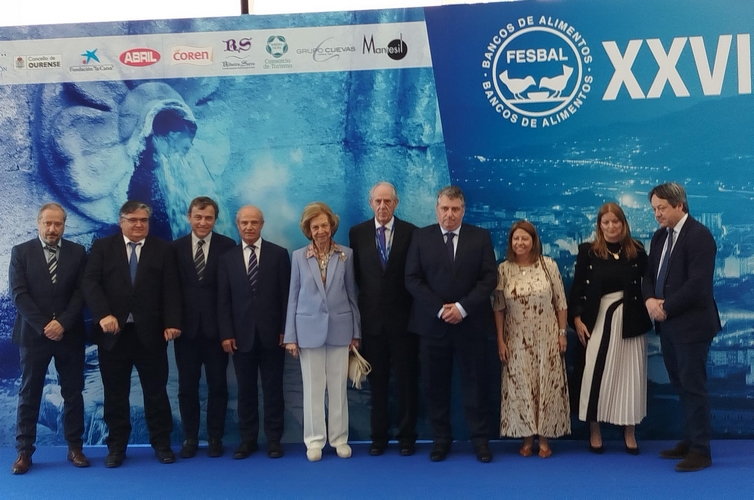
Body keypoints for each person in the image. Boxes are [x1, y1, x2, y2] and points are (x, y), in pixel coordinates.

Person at [82, 200, 182, 468]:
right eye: (133, 220)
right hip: (113, 336)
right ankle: (116, 447)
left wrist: (172, 322)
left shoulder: (163, 249)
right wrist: (103, 314)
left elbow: (172, 288)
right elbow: (90, 283)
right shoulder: (103, 247)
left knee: (156, 393)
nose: (139, 225)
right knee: (115, 394)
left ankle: (162, 444)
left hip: (151, 335)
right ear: (121, 221)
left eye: (143, 220)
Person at [405, 186, 496, 463]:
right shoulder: (421, 237)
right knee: (435, 386)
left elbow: (489, 278)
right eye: (445, 208)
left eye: (455, 209)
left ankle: (480, 440)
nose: (449, 214)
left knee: (476, 386)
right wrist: (440, 309)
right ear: (437, 210)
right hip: (432, 327)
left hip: (471, 325)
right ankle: (441, 440)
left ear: (463, 211)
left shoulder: (480, 237)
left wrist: (461, 308)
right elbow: (412, 279)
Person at [642, 182, 721, 472]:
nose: (657, 214)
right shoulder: (659, 237)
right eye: (654, 209)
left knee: (693, 387)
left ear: (680, 205)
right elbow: (648, 275)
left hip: (692, 327)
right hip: (668, 327)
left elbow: (698, 285)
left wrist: (664, 307)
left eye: (662, 208)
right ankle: (688, 441)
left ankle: (701, 451)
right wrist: (649, 300)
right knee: (681, 386)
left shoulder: (700, 236)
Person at [9, 203, 89, 474]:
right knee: (29, 393)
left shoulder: (78, 253)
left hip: (69, 335)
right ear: (39, 223)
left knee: (73, 393)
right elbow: (18, 294)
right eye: (48, 223)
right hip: (33, 336)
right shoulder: (21, 252)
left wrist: (62, 323)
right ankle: (24, 452)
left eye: (58, 224)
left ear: (64, 225)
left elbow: (81, 292)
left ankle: (75, 447)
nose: (52, 229)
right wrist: (45, 325)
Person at [568, 203, 652, 455]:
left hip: (632, 322)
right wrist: (577, 319)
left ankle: (630, 432)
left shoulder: (637, 250)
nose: (611, 226)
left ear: (623, 223)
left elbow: (649, 283)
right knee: (595, 375)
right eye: (606, 222)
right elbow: (577, 289)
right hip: (597, 322)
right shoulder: (588, 252)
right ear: (599, 225)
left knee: (631, 377)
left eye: (616, 221)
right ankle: (594, 431)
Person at [283, 202, 361, 462]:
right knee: (313, 389)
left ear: (332, 226)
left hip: (341, 330)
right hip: (307, 332)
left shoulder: (346, 255)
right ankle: (314, 440)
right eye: (315, 227)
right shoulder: (298, 257)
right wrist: (290, 336)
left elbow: (351, 295)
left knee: (338, 390)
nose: (320, 231)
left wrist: (356, 332)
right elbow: (293, 298)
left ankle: (339, 439)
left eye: (324, 225)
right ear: (308, 229)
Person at [348, 181, 419, 457]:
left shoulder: (412, 233)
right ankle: (378, 437)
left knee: (406, 384)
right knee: (376, 386)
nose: (382, 206)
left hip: (404, 324)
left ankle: (406, 438)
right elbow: (357, 277)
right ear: (370, 204)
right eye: (378, 201)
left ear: (396, 203)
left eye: (387, 201)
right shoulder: (357, 233)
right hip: (372, 324)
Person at [217, 205, 291, 459]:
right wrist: (226, 333)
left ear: (262, 224)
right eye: (244, 223)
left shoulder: (278, 255)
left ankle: (274, 440)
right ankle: (248, 439)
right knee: (245, 391)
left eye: (254, 222)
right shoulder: (227, 259)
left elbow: (286, 297)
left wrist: (286, 330)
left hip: (273, 336)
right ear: (237, 225)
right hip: (240, 337)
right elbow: (223, 300)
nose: (249, 227)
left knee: (273, 390)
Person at [494, 220, 570, 458]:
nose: (520, 243)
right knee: (521, 386)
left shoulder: (549, 265)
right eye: (516, 238)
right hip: (515, 338)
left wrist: (562, 333)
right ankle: (526, 436)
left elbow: (561, 303)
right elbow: (498, 308)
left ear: (534, 241)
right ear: (510, 242)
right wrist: (500, 339)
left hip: (547, 336)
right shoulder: (503, 269)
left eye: (525, 238)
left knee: (546, 385)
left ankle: (545, 437)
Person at [172, 197, 236, 459]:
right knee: (187, 387)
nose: (203, 222)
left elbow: (231, 292)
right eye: (198, 217)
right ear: (189, 217)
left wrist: (228, 331)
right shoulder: (175, 248)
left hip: (217, 332)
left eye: (208, 217)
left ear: (215, 219)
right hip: (185, 332)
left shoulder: (227, 246)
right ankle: (190, 437)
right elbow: (170, 290)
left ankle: (214, 437)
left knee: (218, 386)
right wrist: (172, 323)